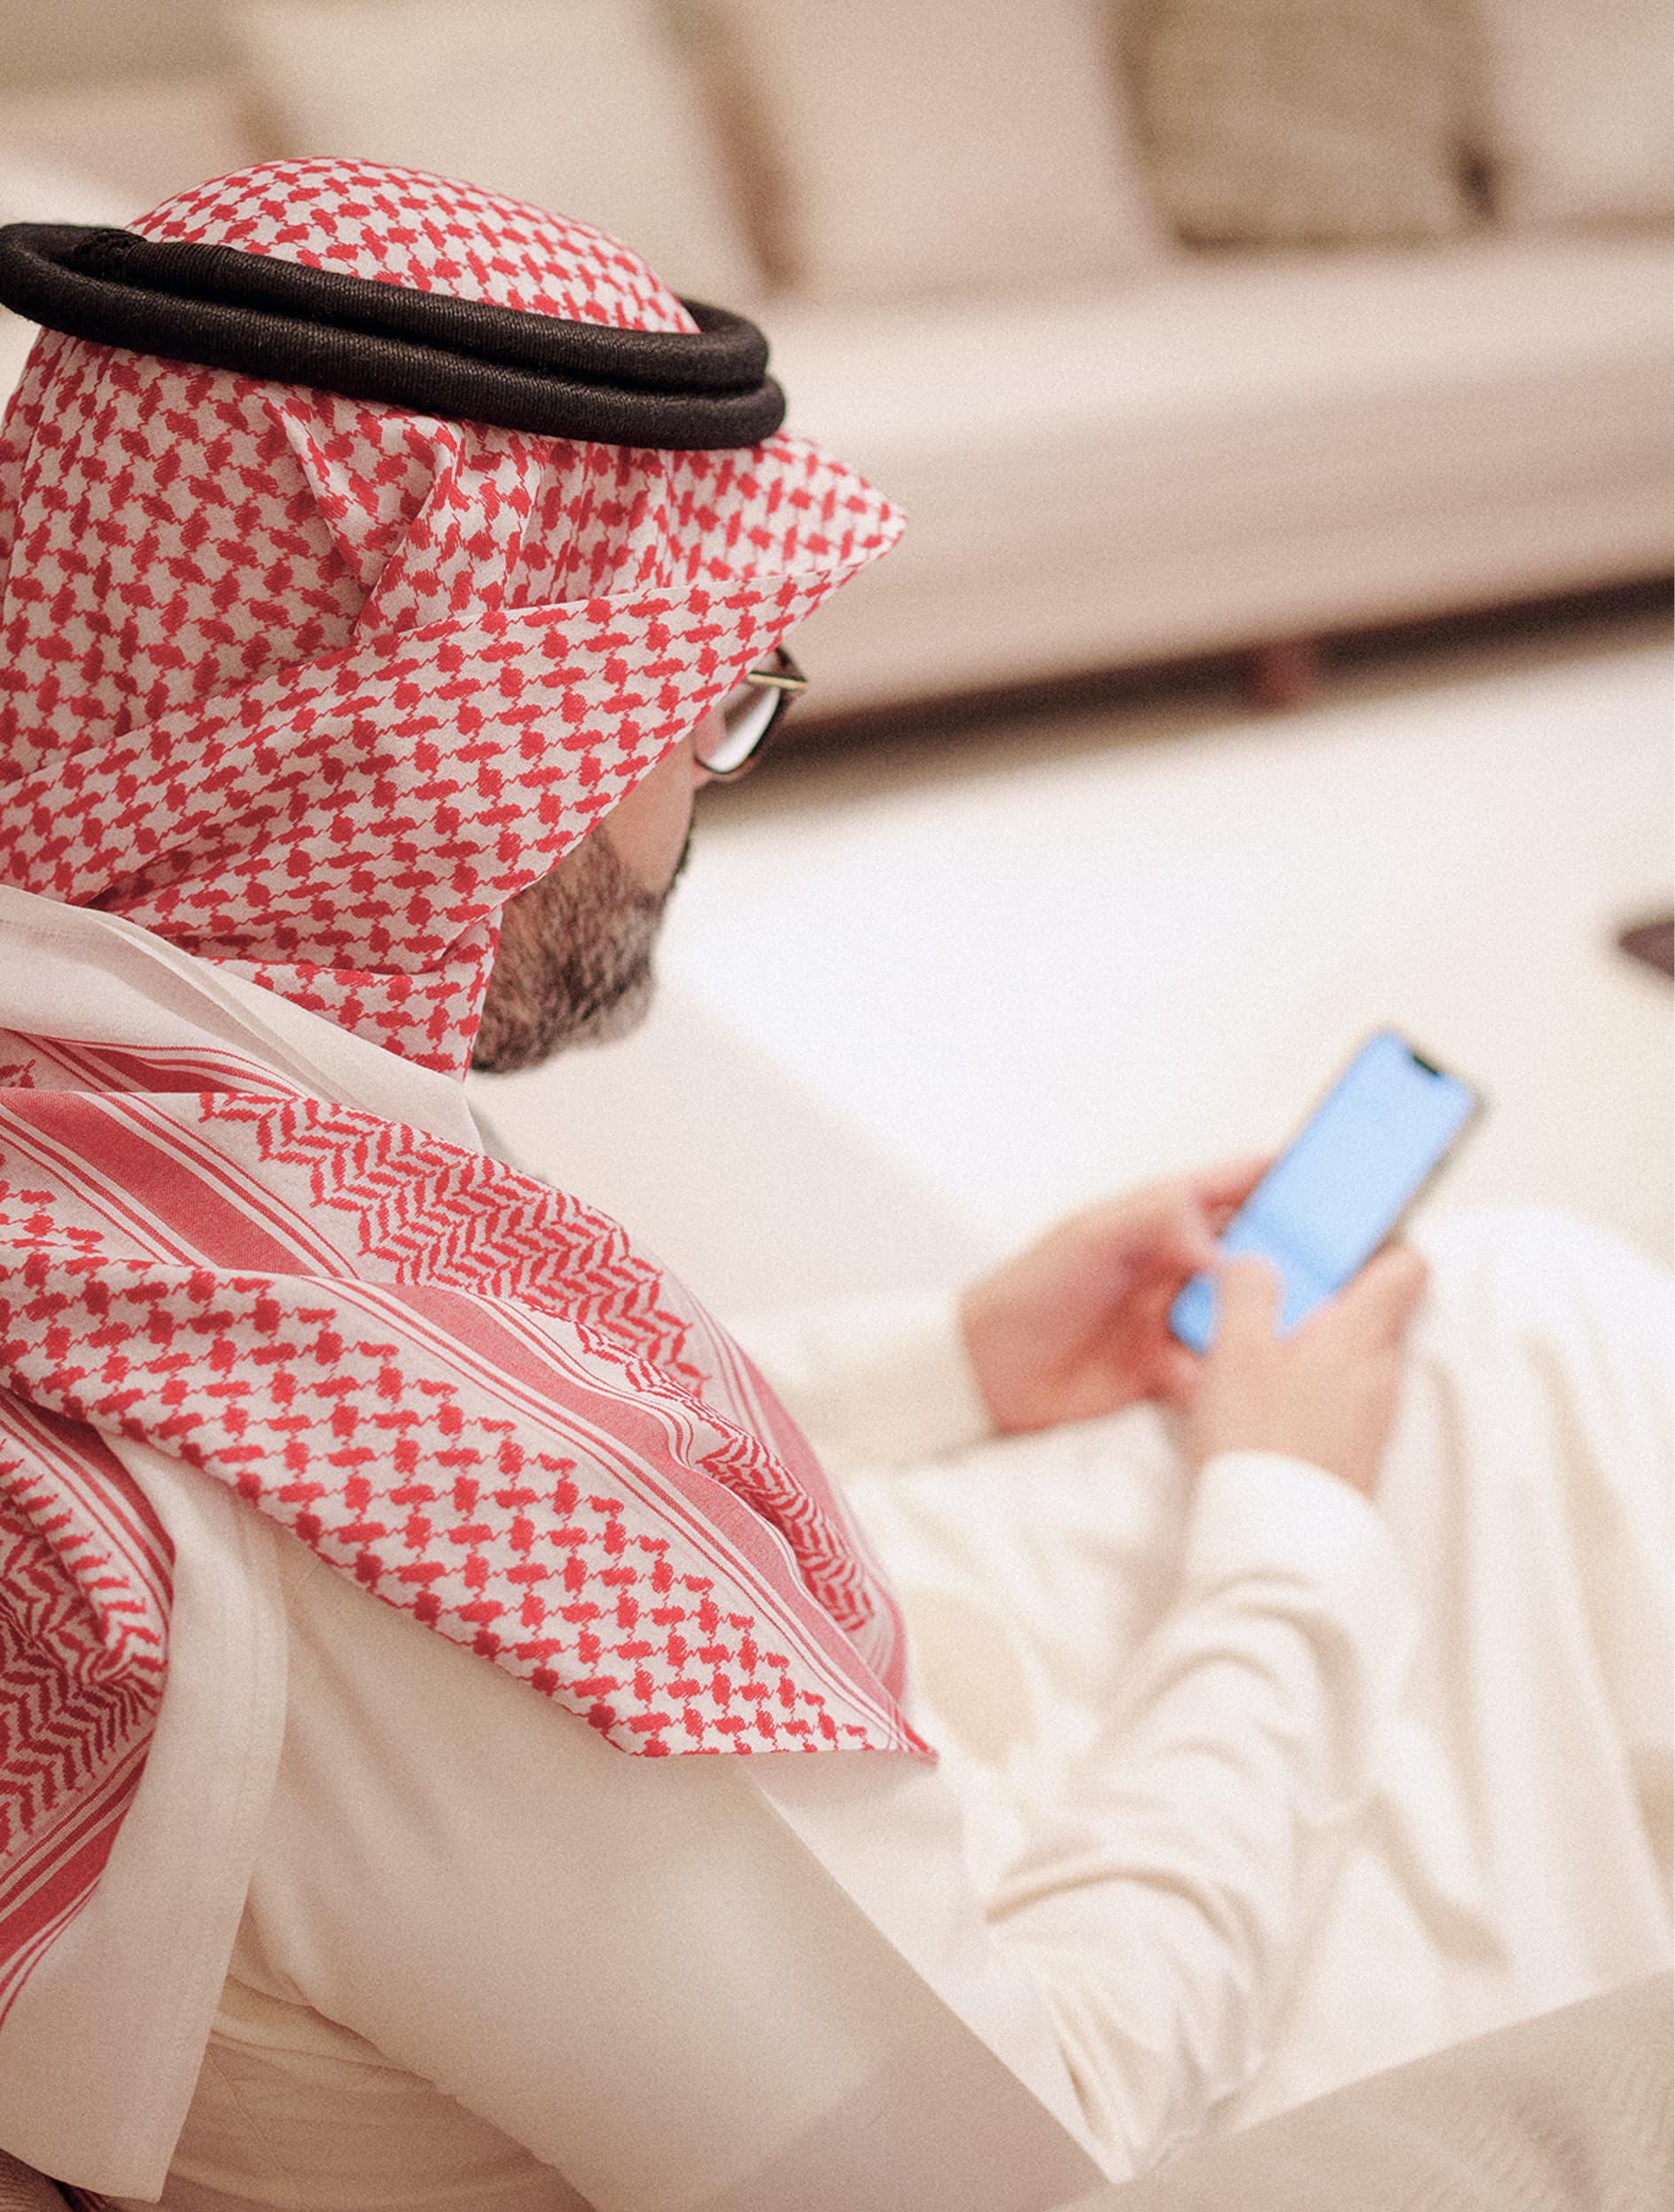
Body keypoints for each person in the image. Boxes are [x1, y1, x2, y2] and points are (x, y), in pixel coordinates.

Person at [0, 160, 1666, 2212]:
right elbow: (1031, 2142)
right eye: (702, 703)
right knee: (1529, 1350)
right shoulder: (447, 1536)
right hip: (1079, 2089)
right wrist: (1288, 1525)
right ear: (452, 748)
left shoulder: (113, 1116)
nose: (699, 783)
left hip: (571, 1967)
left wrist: (952, 1353)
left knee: (1512, 1315)